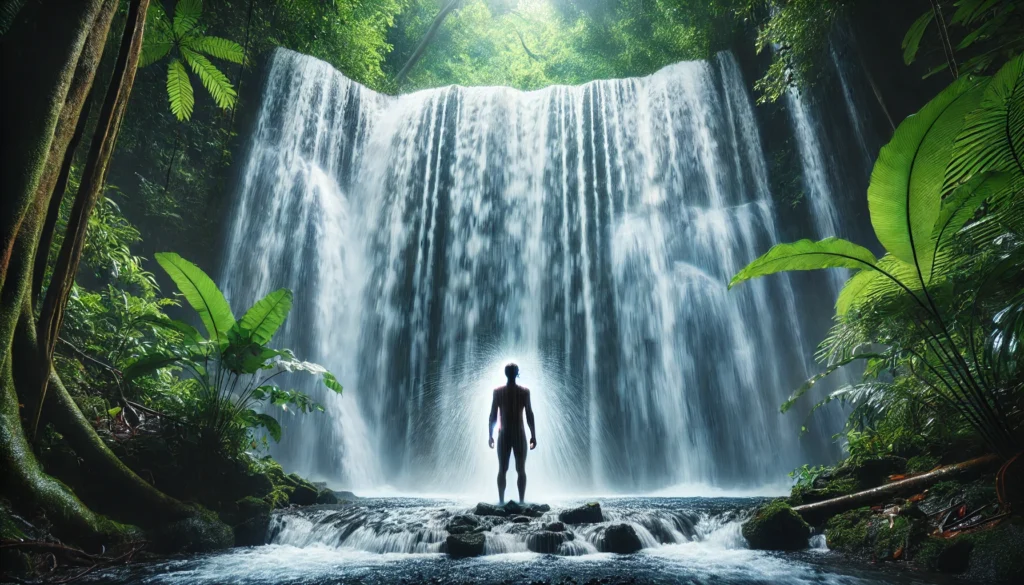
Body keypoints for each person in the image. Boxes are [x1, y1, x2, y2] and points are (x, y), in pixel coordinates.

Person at [488, 362, 537, 504]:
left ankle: (502, 502)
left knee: (502, 469)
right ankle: (521, 502)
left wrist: (490, 435)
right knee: (520, 469)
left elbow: (492, 415)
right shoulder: (524, 392)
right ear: (517, 373)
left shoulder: (498, 392)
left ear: (506, 374)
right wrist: (533, 435)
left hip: (504, 434)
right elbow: (529, 414)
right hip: (519, 433)